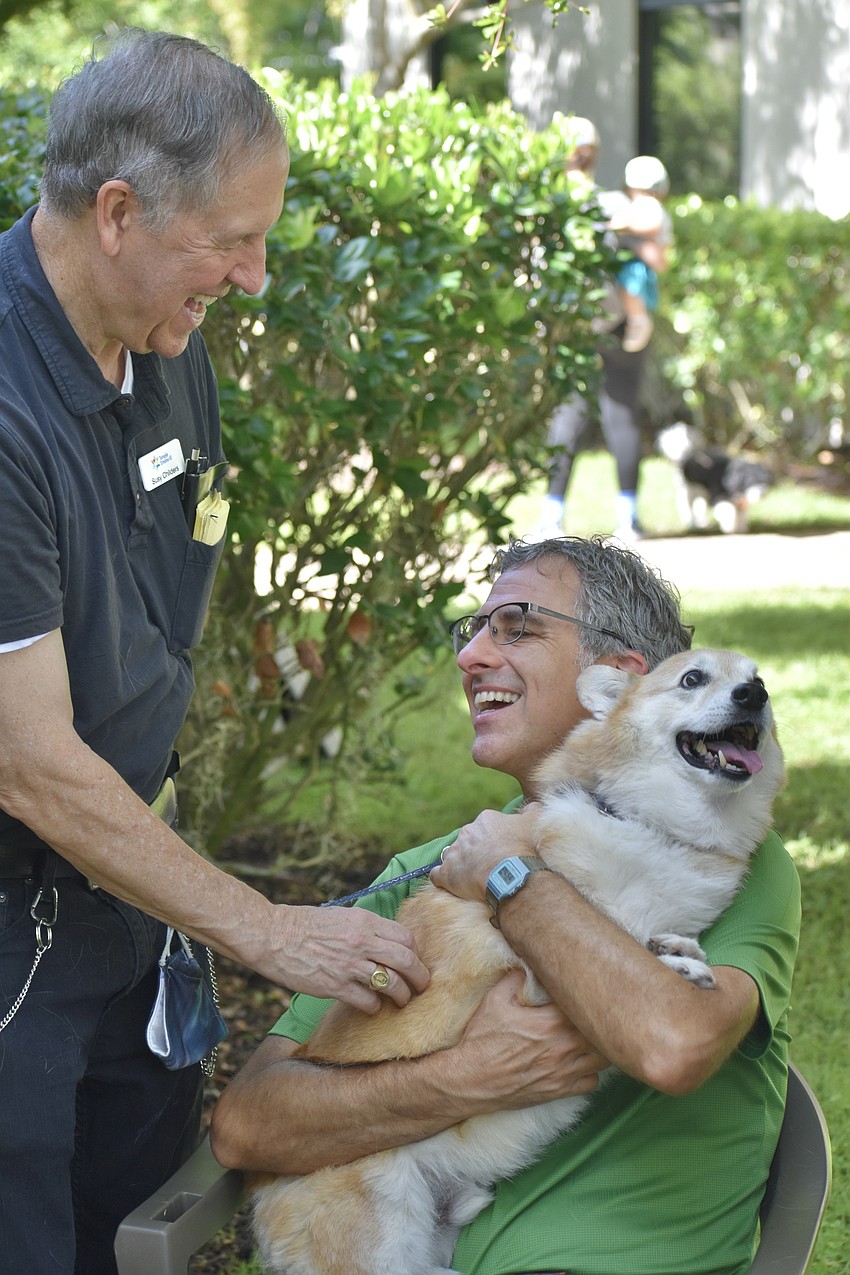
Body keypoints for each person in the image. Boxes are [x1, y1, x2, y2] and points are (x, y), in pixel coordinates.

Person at [0, 30, 427, 1275]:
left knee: (137, 1231)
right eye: (231, 241)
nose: (252, 276)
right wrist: (267, 932)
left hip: (134, 895)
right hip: (17, 921)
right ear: (116, 212)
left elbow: (170, 577)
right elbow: (28, 764)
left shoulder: (168, 349)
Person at [211, 535, 800, 1275]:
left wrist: (509, 878)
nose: (471, 657)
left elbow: (671, 1044)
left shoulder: (728, 853)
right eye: (476, 631)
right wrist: (468, 1074)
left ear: (616, 681)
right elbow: (246, 1127)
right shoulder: (426, 870)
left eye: (518, 628)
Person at [537, 145, 672, 543]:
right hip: (618, 326)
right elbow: (654, 253)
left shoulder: (544, 206)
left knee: (568, 413)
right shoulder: (614, 204)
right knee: (621, 415)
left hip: (572, 326)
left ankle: (550, 518)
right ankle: (628, 518)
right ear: (595, 157)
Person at [608, 155, 673, 354]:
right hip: (634, 261)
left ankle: (638, 322)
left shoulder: (650, 206)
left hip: (638, 266)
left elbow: (652, 227)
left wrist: (625, 226)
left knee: (631, 288)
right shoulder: (640, 205)